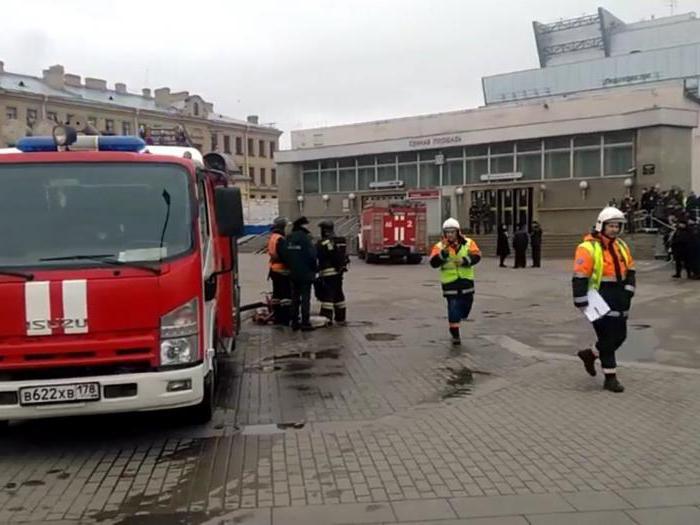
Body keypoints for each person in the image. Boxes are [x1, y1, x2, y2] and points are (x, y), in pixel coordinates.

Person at [573, 207, 636, 393]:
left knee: (620, 335)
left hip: (620, 295)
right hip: (598, 296)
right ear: (602, 225)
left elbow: (631, 269)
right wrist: (580, 299)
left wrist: (629, 289)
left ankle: (590, 354)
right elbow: (580, 275)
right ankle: (610, 377)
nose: (615, 229)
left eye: (617, 226)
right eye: (611, 226)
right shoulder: (587, 247)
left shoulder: (622, 246)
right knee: (607, 336)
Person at [429, 218, 481, 345]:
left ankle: (461, 317)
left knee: (467, 304)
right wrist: (443, 255)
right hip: (450, 282)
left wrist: (465, 261)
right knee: (453, 308)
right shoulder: (440, 246)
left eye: (452, 232)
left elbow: (477, 255)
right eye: (448, 232)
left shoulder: (468, 242)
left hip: (466, 280)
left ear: (457, 232)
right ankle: (455, 334)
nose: (450, 235)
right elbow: (433, 263)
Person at [285, 216, 317, 331]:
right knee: (305, 298)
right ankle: (305, 323)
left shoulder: (289, 238)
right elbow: (312, 256)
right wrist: (314, 269)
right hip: (306, 273)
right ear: (303, 225)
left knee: (294, 298)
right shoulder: (306, 238)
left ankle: (294, 322)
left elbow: (285, 255)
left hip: (293, 273)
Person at [316, 220, 349, 324]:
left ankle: (326, 318)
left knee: (327, 296)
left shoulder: (325, 242)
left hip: (328, 273)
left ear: (324, 230)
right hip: (339, 273)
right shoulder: (339, 240)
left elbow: (324, 256)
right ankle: (340, 316)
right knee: (339, 294)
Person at [266, 217, 291, 325]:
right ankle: (284, 318)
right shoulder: (280, 239)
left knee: (276, 294)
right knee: (285, 295)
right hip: (282, 270)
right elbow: (285, 255)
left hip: (274, 269)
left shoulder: (273, 237)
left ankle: (277, 316)